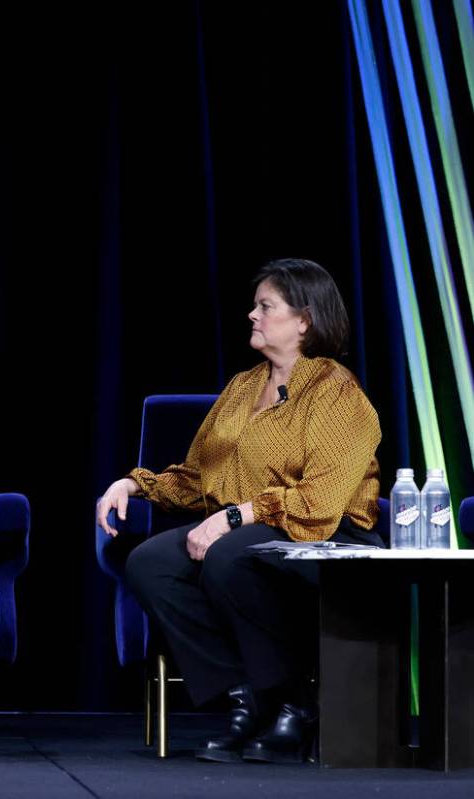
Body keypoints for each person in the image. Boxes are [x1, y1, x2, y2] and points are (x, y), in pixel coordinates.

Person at [97, 258, 381, 765]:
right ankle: (243, 697)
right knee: (150, 562)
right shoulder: (241, 389)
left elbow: (320, 502)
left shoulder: (338, 393)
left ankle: (294, 703)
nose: (252, 314)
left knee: (230, 555)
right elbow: (196, 477)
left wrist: (233, 517)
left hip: (329, 536)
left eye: (265, 307)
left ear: (304, 320)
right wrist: (133, 485)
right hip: (250, 530)